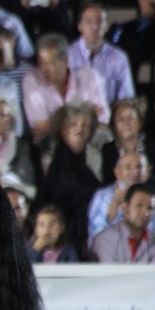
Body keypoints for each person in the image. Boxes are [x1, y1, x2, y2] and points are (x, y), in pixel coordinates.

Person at [21, 33, 111, 143]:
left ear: (65, 61)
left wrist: (54, 123)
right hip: (51, 144)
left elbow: (102, 120)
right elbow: (38, 128)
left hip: (88, 141)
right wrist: (86, 115)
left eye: (49, 63)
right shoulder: (32, 80)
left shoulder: (89, 76)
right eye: (41, 63)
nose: (44, 70)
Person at [40, 102, 104, 252]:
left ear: (90, 131)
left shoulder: (94, 156)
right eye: (73, 124)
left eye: (85, 125)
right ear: (63, 130)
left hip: (88, 220)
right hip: (57, 220)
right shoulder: (49, 156)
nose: (79, 128)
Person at [87, 150, 155, 247]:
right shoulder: (103, 197)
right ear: (117, 172)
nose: (134, 172)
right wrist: (115, 204)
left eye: (139, 167)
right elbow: (96, 240)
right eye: (128, 167)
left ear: (148, 172)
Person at [70, 5, 137, 107]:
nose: (94, 27)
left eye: (99, 22)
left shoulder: (119, 58)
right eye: (88, 22)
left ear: (106, 27)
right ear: (80, 26)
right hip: (75, 115)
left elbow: (126, 98)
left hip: (108, 115)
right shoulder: (68, 55)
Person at [91, 182, 155, 267]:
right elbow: (108, 277)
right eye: (139, 206)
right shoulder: (105, 239)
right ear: (125, 209)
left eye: (150, 208)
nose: (145, 213)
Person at [101, 97, 155, 193]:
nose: (126, 123)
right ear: (113, 125)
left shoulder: (152, 147)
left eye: (130, 118)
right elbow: (107, 183)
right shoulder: (108, 150)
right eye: (120, 119)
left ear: (140, 122)